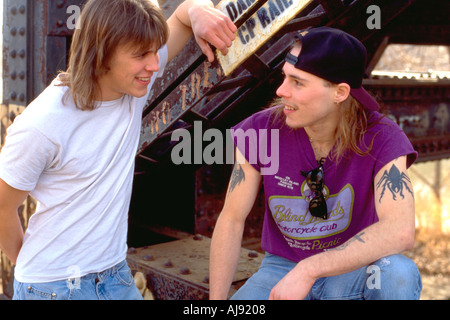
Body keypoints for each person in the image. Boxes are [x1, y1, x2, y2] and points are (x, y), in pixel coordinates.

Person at [0, 0, 236, 300]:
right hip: (53, 286)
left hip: (114, 274)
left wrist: (197, 9)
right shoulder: (42, 124)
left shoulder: (132, 87)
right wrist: (33, 273)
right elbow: (3, 207)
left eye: (155, 51)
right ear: (102, 53)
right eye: (140, 55)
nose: (154, 65)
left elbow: (181, 17)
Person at [209, 26, 422, 300]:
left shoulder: (382, 137)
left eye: (297, 82)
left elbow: (400, 231)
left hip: (352, 271)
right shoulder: (261, 131)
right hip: (280, 269)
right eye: (284, 77)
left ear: (340, 93)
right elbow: (232, 219)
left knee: (398, 274)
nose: (281, 90)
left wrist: (309, 270)